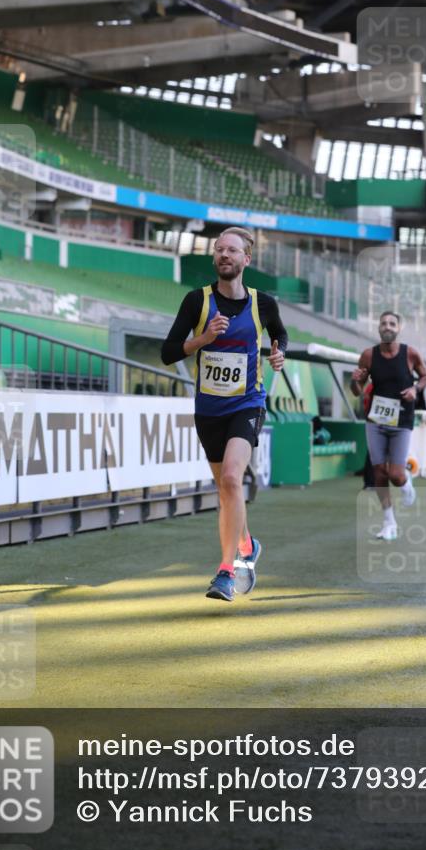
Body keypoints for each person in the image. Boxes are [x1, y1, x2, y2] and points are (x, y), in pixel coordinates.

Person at [161, 227, 287, 602]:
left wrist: (279, 354)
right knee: (226, 488)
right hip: (209, 409)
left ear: (246, 259)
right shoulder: (196, 302)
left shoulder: (262, 303)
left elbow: (280, 335)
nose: (224, 255)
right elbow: (168, 352)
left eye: (232, 250)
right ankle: (247, 543)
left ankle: (225, 572)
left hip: (247, 404)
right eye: (219, 250)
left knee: (232, 478)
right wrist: (203, 339)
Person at [350, 311, 426, 540]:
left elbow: (425, 376)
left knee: (395, 474)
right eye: (383, 323)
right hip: (376, 420)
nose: (387, 326)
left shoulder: (410, 354)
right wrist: (355, 380)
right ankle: (389, 523)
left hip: (402, 420)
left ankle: (406, 483)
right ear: (379, 328)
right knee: (378, 473)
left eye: (392, 323)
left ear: (398, 328)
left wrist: (416, 389)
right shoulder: (368, 356)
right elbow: (357, 391)